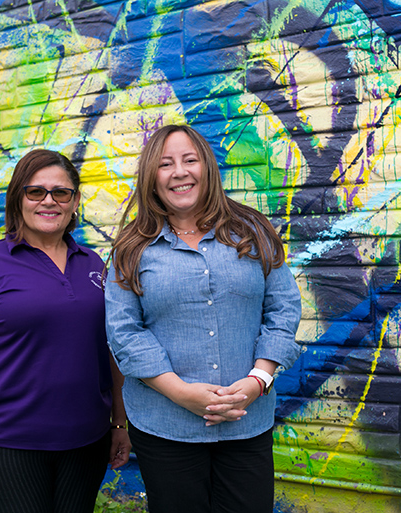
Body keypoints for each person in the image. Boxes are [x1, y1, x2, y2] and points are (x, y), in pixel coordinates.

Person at [105, 124, 302, 513]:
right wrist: (180, 392)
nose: (180, 171)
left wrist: (257, 381)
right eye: (165, 164)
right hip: (165, 425)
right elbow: (125, 333)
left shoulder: (253, 232)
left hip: (247, 419)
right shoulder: (131, 248)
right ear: (152, 178)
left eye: (189, 159)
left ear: (207, 168)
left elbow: (283, 307)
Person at [0, 149, 131, 513]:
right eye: (35, 192)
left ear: (75, 201)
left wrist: (118, 423)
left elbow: (110, 349)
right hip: (6, 444)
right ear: (18, 199)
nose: (49, 201)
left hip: (85, 442)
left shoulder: (92, 263)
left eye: (61, 192)